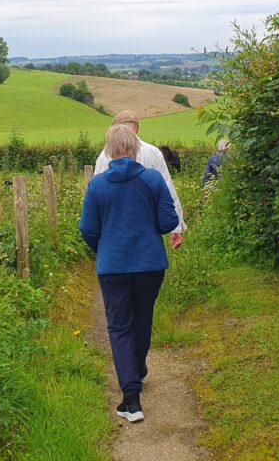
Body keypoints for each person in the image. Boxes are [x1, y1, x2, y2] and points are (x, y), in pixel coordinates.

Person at [80, 125, 181, 423]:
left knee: (120, 327)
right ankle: (138, 371)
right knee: (142, 319)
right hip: (150, 264)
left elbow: (87, 228)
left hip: (113, 266)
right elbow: (168, 221)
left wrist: (104, 246)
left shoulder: (97, 185)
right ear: (135, 149)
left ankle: (131, 399)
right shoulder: (152, 180)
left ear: (109, 150)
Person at [94, 110, 186, 249]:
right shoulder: (153, 152)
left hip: (115, 229)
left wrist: (99, 237)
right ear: (137, 128)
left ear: (114, 131)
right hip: (149, 229)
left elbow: (96, 196)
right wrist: (176, 227)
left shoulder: (105, 156)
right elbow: (168, 189)